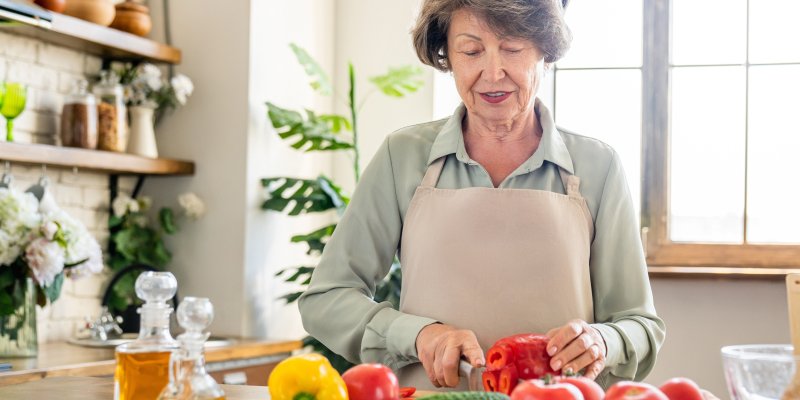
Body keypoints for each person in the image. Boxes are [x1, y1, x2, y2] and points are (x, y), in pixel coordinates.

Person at [298, 0, 665, 390]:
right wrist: (418, 334)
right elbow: (327, 298)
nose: (493, 73)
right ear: (447, 56)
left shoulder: (598, 165)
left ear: (545, 51)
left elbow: (641, 324)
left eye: (512, 49)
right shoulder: (402, 156)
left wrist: (601, 341)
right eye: (471, 51)